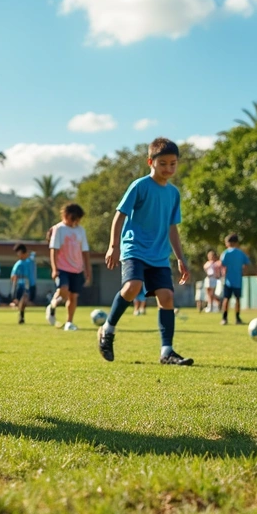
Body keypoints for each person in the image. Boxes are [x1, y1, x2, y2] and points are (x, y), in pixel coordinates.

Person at [97, 138, 192, 366]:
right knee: (132, 287)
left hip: (159, 254)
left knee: (167, 297)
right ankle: (107, 329)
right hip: (134, 248)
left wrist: (180, 258)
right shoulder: (139, 186)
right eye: (163, 164)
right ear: (151, 162)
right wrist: (114, 245)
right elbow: (119, 215)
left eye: (173, 164)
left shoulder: (174, 193)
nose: (168, 168)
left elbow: (172, 227)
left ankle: (166, 351)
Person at [46, 203, 91, 331]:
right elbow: (54, 249)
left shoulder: (81, 230)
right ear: (65, 215)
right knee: (63, 290)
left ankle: (69, 322)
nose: (75, 222)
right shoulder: (59, 229)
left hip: (77, 269)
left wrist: (88, 270)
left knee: (73, 296)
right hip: (62, 268)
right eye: (73, 218)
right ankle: (52, 306)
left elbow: (85, 252)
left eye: (78, 219)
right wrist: (54, 269)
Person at [218, 233, 250, 326]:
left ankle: (224, 318)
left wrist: (223, 272)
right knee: (237, 300)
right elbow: (247, 263)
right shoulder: (241, 253)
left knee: (226, 299)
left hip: (228, 280)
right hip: (238, 280)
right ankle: (237, 318)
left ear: (228, 243)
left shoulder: (226, 253)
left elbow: (222, 264)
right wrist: (243, 271)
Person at [10, 244, 35, 324]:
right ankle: (21, 315)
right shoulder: (18, 264)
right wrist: (14, 286)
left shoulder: (30, 262)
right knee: (23, 299)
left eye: (19, 253)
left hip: (29, 284)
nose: (18, 255)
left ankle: (21, 314)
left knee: (25, 301)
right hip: (20, 285)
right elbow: (13, 276)